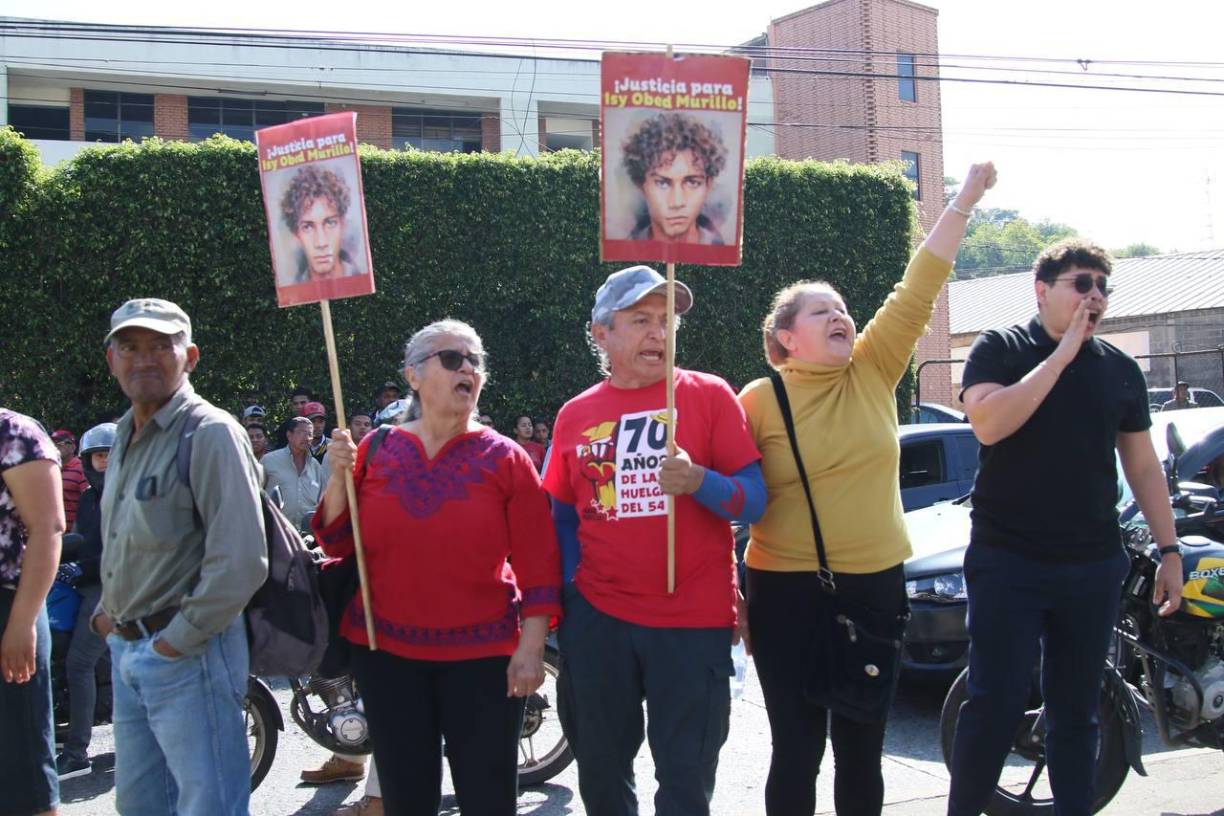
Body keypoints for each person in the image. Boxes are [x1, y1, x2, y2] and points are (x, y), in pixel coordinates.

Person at [738, 163, 996, 816]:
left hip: (874, 586)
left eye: (844, 309)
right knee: (797, 749)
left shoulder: (875, 368)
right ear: (785, 338)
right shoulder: (757, 400)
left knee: (861, 747)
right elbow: (724, 493)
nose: (842, 317)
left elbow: (919, 284)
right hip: (783, 591)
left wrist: (963, 199)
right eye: (822, 311)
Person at [947, 238, 1183, 816]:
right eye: (1082, 284)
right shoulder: (1001, 347)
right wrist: (1061, 355)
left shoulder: (1119, 370)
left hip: (1092, 565)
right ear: (1042, 290)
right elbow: (988, 424)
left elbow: (1142, 464)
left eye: (1103, 286)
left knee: (1078, 712)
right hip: (1009, 562)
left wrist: (1170, 549)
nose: (1095, 296)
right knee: (995, 703)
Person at [314, 319, 562, 816]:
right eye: (453, 358)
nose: (468, 367)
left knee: (488, 797)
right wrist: (339, 480)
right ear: (414, 375)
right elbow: (339, 541)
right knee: (406, 797)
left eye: (476, 361)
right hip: (386, 654)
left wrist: (532, 648)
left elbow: (539, 562)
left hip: (486, 658)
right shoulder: (375, 447)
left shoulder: (508, 457)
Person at [542, 265, 766, 816]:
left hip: (691, 622)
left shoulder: (711, 396)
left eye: (667, 320)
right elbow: (562, 516)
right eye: (640, 319)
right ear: (602, 333)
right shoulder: (576, 414)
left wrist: (699, 482)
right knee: (601, 772)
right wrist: (573, 592)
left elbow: (756, 499)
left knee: (686, 782)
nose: (658, 333)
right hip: (599, 621)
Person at [91, 298, 268, 816]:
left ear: (189, 356)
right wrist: (109, 617)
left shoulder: (210, 432)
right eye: (130, 347)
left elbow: (241, 560)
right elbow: (124, 537)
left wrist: (176, 642)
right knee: (141, 807)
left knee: (206, 807)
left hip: (189, 654)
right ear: (112, 360)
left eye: (161, 346)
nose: (144, 358)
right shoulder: (123, 434)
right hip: (129, 649)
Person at [0, 408, 65, 816]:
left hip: (10, 606)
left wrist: (22, 623)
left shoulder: (13, 431)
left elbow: (48, 527)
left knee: (23, 765)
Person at [54, 422, 117, 780]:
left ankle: (77, 753)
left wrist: (80, 569)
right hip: (90, 582)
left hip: (111, 587)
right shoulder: (91, 498)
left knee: (78, 664)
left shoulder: (126, 496)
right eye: (97, 456)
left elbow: (120, 551)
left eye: (109, 454)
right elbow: (80, 538)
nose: (104, 462)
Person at [622, 112, 728, 245]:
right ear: (641, 185)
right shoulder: (627, 247)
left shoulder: (719, 247)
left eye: (692, 182)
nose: (677, 202)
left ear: (709, 185)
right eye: (662, 183)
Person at [281, 165, 364, 284]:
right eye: (307, 227)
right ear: (296, 234)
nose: (321, 243)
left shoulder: (359, 279)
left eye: (330, 223)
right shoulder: (294, 288)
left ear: (343, 224)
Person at [261, 416, 323, 531]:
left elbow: (322, 501)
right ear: (289, 435)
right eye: (302, 433)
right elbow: (256, 493)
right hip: (277, 533)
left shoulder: (315, 466)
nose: (307, 437)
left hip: (308, 536)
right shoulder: (269, 460)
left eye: (310, 434)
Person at [51, 430, 86, 530]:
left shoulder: (81, 469)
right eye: (52, 443)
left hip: (74, 534)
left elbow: (88, 502)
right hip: (54, 533)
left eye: (59, 443)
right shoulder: (51, 469)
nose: (55, 447)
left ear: (72, 447)